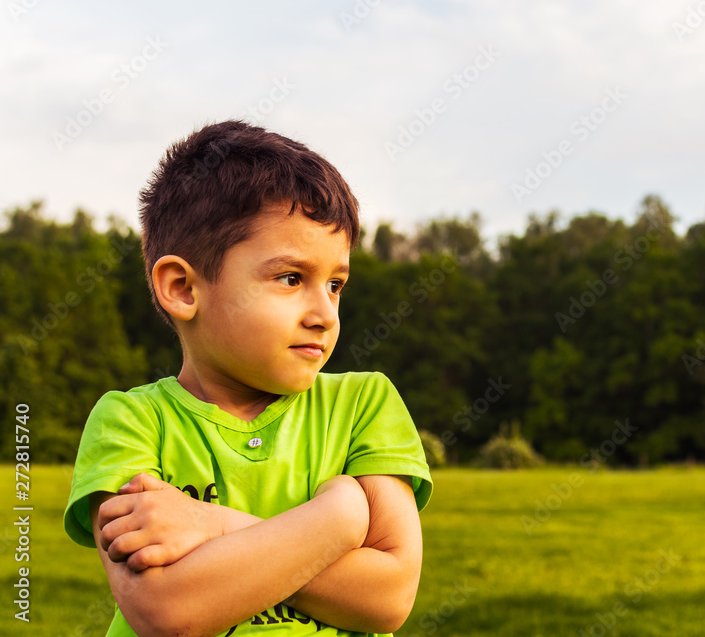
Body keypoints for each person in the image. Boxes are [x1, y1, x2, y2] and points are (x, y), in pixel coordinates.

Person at [62, 120, 433, 637]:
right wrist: (339, 521)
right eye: (290, 278)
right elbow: (165, 611)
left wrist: (211, 524)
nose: (324, 313)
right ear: (183, 289)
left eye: (335, 284)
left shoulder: (363, 405)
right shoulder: (130, 421)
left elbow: (387, 595)